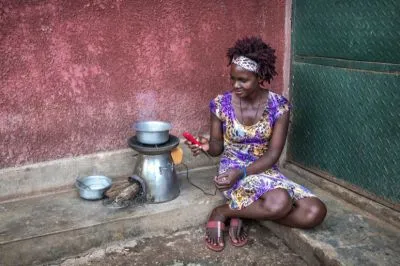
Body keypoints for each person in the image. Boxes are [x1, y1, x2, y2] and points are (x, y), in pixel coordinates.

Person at [185, 36, 327, 252]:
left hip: (264, 168)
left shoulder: (279, 107)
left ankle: (237, 211)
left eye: (243, 80)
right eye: (233, 78)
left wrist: (242, 173)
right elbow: (217, 148)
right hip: (231, 168)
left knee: (315, 212)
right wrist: (205, 147)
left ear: (259, 75)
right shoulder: (220, 104)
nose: (236, 85)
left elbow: (273, 155)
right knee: (280, 201)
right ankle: (223, 212)